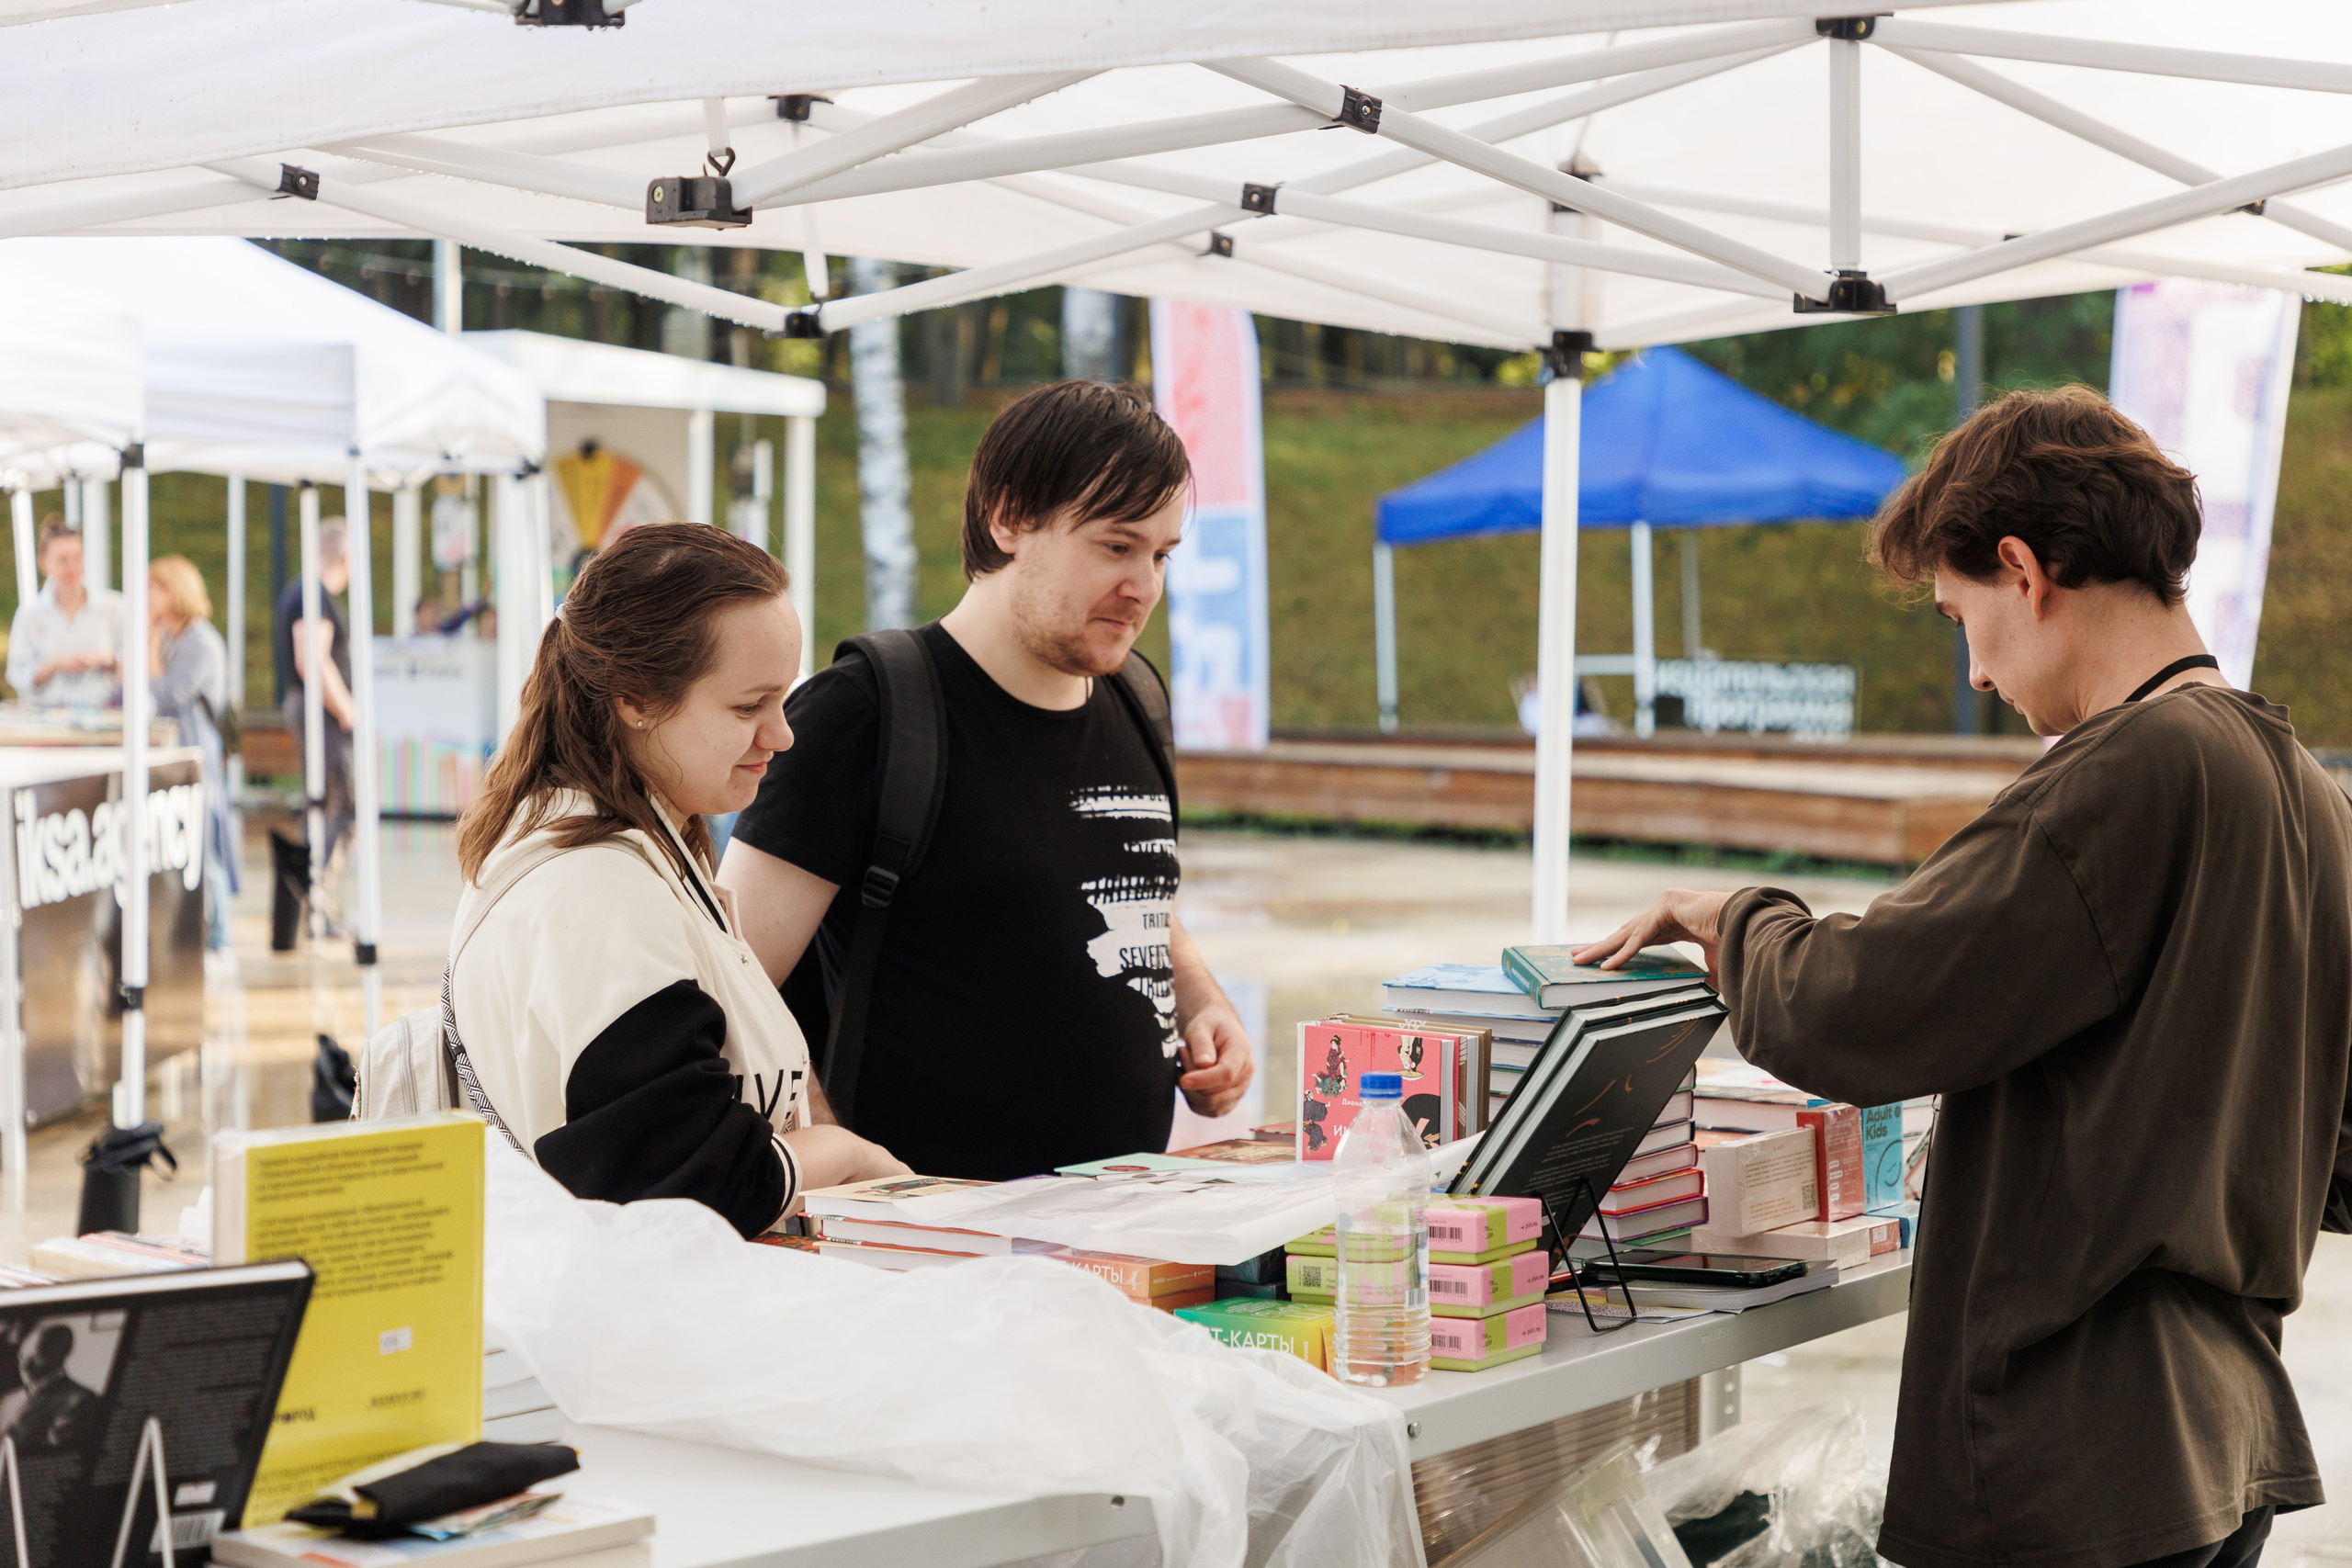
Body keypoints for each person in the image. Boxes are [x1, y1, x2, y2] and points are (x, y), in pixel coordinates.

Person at [1578, 388, 2352, 1568]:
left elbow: (1861, 1004)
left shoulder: (2123, 775)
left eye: (1957, 617)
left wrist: (1736, 916)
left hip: (2080, 1453)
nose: (1978, 674)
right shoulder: (2302, 787)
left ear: (2022, 570)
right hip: (2221, 1436)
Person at [718, 381, 1255, 1181]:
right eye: (1116, 546)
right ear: (1009, 518)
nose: (1144, 585)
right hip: (928, 1262)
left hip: (1126, 1245)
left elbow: (1129, 892)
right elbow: (732, 987)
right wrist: (837, 1163)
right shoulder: (864, 712)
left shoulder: (1137, 696)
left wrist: (1200, 1000)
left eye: (1162, 554)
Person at [452, 524, 904, 1235]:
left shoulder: (620, 847)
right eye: (748, 705)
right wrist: (839, 1153)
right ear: (634, 698)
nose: (782, 734)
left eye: (783, 699)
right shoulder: (596, 885)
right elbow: (679, 1180)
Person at [148, 556, 238, 953]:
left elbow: (163, 696)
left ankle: (219, 941)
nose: (148, 597)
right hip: (171, 756)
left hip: (196, 756)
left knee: (205, 846)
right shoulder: (173, 637)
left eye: (156, 587)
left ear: (175, 591)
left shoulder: (201, 642)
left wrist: (148, 643)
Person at [271, 518, 356, 872]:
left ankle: (310, 890)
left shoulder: (301, 591)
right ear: (346, 558)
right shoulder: (312, 594)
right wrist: (347, 709)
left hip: (310, 707)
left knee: (323, 799)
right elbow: (312, 659)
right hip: (320, 711)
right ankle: (313, 887)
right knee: (342, 801)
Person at [6, 516, 120, 707]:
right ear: (43, 563)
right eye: (62, 560)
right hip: (45, 724)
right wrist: (53, 664)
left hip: (104, 720)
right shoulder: (29, 613)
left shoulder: (114, 607)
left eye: (77, 557)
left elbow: (139, 664)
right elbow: (17, 675)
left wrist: (107, 659)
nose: (72, 567)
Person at [0, 1324, 102, 1451]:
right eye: (22, 1356)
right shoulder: (8, 1400)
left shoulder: (81, 1400)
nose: (24, 1365)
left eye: (35, 1357)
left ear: (58, 1355)